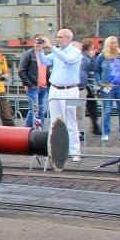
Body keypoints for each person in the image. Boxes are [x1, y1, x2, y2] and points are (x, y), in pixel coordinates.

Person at [39, 29, 83, 162]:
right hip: (55, 89)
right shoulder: (58, 52)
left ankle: (75, 151)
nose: (57, 39)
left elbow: (67, 60)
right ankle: (57, 149)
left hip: (70, 90)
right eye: (57, 37)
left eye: (60, 37)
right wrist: (40, 50)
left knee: (71, 121)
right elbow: (45, 61)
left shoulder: (75, 52)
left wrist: (52, 48)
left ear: (69, 38)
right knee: (55, 121)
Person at [95, 35, 120, 145]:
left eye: (116, 42)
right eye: (113, 43)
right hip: (108, 86)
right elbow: (96, 70)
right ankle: (105, 133)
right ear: (108, 44)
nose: (115, 45)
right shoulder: (102, 56)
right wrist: (99, 82)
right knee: (107, 111)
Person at [18, 34, 48, 129]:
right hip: (33, 87)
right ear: (34, 42)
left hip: (44, 87)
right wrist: (29, 84)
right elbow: (21, 70)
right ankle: (28, 130)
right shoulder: (28, 54)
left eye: (41, 41)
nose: (39, 44)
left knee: (42, 111)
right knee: (34, 110)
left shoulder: (45, 55)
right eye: (37, 41)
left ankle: (39, 130)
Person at [79, 41, 101, 136]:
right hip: (83, 85)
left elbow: (92, 68)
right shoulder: (83, 57)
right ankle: (80, 130)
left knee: (92, 106)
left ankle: (95, 126)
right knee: (81, 108)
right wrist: (91, 58)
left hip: (87, 85)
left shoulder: (87, 57)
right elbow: (88, 67)